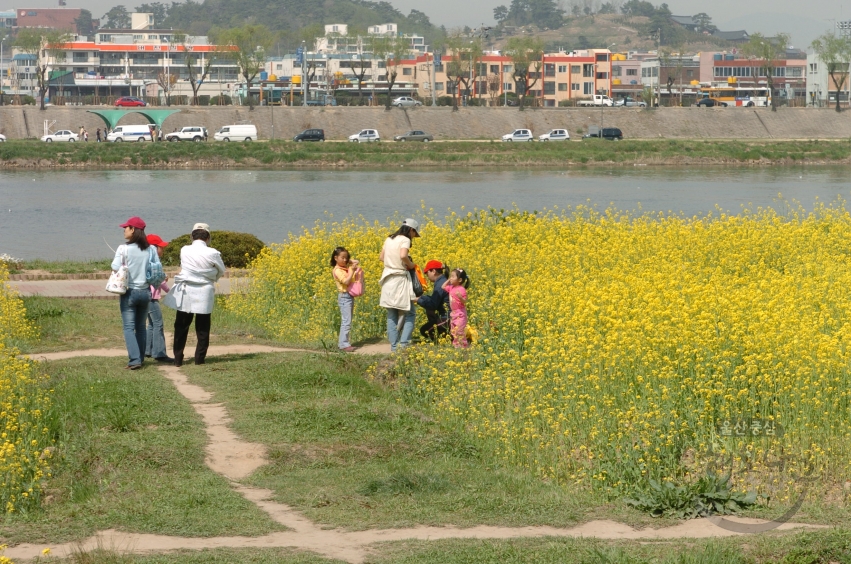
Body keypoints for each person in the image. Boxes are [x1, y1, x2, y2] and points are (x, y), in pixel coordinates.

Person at [162, 223, 226, 366]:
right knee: (202, 327)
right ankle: (199, 359)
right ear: (208, 237)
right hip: (204, 291)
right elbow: (221, 270)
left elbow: (188, 268)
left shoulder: (184, 249)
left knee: (181, 326)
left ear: (192, 236)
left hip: (186, 290)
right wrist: (210, 275)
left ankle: (178, 359)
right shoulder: (213, 253)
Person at [111, 216, 158, 369]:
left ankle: (135, 360)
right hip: (146, 292)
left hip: (129, 292)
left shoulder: (123, 248)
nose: (124, 230)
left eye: (126, 227)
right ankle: (140, 358)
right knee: (141, 326)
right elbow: (156, 267)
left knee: (128, 327)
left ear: (133, 229)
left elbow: (115, 267)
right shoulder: (151, 249)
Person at [379, 218, 419, 352]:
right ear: (411, 230)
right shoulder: (405, 239)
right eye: (415, 233)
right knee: (410, 313)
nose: (414, 236)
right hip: (400, 279)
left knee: (391, 314)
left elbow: (381, 257)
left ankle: (394, 347)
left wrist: (392, 262)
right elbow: (403, 255)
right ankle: (404, 344)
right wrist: (410, 264)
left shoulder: (389, 238)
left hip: (387, 278)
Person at [145, 234, 173, 363]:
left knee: (151, 324)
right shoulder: (154, 262)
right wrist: (170, 291)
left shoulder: (146, 260)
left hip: (146, 297)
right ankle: (160, 353)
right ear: (154, 248)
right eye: (161, 247)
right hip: (151, 298)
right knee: (158, 323)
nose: (163, 250)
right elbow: (159, 281)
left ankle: (148, 350)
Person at [331, 246, 361, 352]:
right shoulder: (337, 270)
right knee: (346, 321)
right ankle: (343, 344)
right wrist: (352, 270)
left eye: (346, 258)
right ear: (335, 258)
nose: (345, 260)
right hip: (344, 297)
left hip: (349, 296)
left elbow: (356, 261)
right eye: (342, 258)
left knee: (347, 320)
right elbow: (346, 282)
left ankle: (344, 343)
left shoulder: (344, 266)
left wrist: (349, 260)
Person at [416, 260, 450, 343]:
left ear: (434, 271)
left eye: (427, 273)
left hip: (447, 318)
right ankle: (445, 335)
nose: (427, 276)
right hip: (448, 317)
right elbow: (435, 300)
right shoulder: (442, 281)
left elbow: (433, 305)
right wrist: (423, 297)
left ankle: (444, 339)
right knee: (429, 310)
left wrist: (418, 300)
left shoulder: (440, 285)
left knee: (424, 330)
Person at [445, 268, 470, 348]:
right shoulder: (451, 287)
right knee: (454, 331)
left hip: (460, 313)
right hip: (453, 313)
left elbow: (464, 301)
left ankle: (463, 345)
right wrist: (449, 280)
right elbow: (443, 286)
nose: (451, 278)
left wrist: (460, 297)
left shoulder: (461, 289)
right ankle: (456, 345)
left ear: (460, 280)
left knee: (459, 331)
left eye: (453, 276)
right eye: (450, 276)